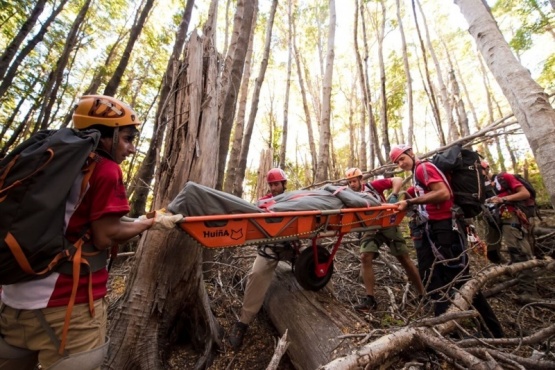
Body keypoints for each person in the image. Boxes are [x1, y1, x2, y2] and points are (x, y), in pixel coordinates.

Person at [0, 95, 183, 370]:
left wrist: (141, 219)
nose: (131, 148)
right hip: (67, 309)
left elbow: (74, 218)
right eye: (127, 138)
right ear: (106, 135)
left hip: (13, 300)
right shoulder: (105, 169)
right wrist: (150, 224)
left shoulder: (52, 160)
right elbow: (105, 235)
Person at [391, 144, 504, 338]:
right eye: (397, 162)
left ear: (410, 153)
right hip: (436, 229)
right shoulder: (419, 173)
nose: (401, 163)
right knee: (436, 278)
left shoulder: (423, 168)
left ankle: (494, 332)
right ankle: (444, 329)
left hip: (446, 229)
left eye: (402, 158)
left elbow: (444, 193)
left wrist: (410, 202)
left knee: (460, 279)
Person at [344, 168, 425, 311]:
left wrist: (393, 194)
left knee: (404, 258)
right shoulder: (348, 195)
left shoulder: (373, 186)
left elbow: (397, 180)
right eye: (350, 182)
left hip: (388, 222)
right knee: (365, 257)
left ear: (361, 180)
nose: (352, 184)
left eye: (354, 181)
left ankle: (422, 295)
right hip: (370, 227)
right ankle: (370, 300)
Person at [228, 168, 289, 350]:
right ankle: (243, 323)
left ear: (283, 184)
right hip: (270, 247)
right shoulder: (263, 202)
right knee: (256, 275)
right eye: (271, 184)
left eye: (276, 184)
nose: (273, 188)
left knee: (315, 264)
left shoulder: (293, 200)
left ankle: (327, 299)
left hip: (293, 244)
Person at [481, 163, 537, 294]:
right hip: (492, 220)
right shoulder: (478, 187)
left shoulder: (503, 177)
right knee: (491, 252)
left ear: (486, 169)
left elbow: (525, 193)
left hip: (511, 215)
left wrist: (502, 199)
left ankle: (529, 290)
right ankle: (511, 271)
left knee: (518, 250)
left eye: (481, 171)